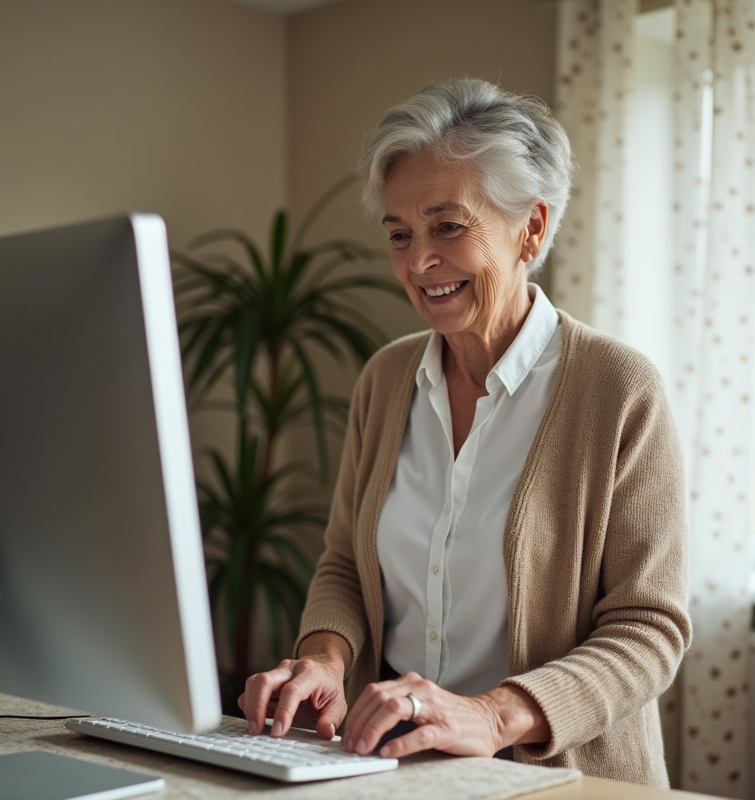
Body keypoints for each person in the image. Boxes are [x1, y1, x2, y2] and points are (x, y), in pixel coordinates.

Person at [239, 78, 690, 787]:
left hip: (559, 779)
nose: (419, 264)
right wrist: (325, 656)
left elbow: (648, 630)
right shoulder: (385, 382)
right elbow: (343, 568)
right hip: (396, 770)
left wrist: (490, 715)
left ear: (532, 229)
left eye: (449, 227)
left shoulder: (619, 388)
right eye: (399, 235)